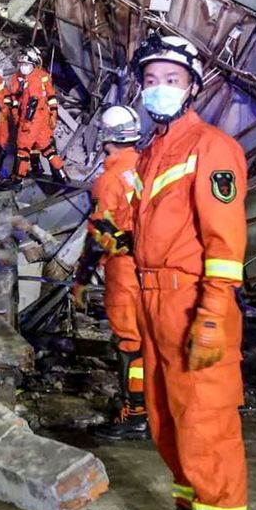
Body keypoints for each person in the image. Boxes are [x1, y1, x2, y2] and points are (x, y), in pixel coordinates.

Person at [130, 33, 248, 510]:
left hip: (192, 303)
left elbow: (225, 244)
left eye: (172, 80)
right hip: (151, 301)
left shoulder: (211, 148)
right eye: (152, 80)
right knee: (166, 423)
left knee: (205, 428)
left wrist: (213, 313)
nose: (160, 89)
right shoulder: (151, 151)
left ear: (192, 87)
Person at [76, 105, 150, 441]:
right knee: (150, 338)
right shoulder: (148, 167)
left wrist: (82, 277)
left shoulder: (108, 181)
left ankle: (136, 414)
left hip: (125, 268)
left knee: (129, 342)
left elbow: (99, 234)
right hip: (154, 267)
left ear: (106, 137)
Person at [13, 47, 68, 183]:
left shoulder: (37, 78)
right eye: (22, 64)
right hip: (39, 116)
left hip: (33, 117)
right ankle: (62, 174)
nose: (23, 67)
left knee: (23, 147)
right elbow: (16, 96)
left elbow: (35, 101)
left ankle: (19, 179)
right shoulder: (23, 77)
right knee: (45, 146)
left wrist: (53, 112)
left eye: (26, 64)